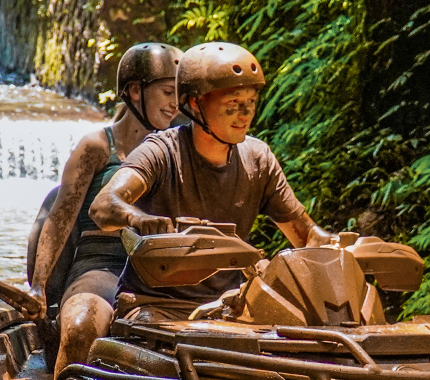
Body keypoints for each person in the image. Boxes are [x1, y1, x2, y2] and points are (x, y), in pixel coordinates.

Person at [89, 42, 331, 321]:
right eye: (233, 103)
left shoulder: (258, 158)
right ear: (195, 104)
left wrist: (331, 243)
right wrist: (137, 218)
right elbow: (103, 206)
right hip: (154, 305)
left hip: (232, 306)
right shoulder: (160, 150)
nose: (245, 114)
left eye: (250, 102)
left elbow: (305, 236)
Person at [31, 42, 182, 373]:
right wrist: (38, 287)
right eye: (168, 92)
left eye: (180, 95)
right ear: (135, 92)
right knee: (81, 328)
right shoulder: (97, 147)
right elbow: (59, 218)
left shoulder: (181, 148)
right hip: (101, 266)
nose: (175, 105)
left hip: (166, 275)